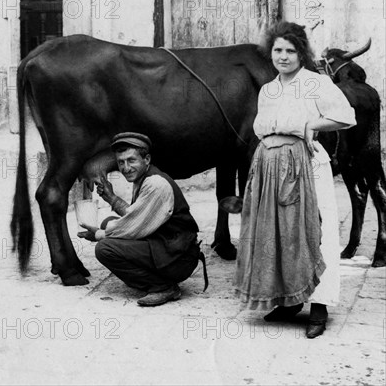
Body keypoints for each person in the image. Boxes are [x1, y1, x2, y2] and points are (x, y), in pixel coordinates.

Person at [234, 22, 356, 338]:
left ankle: (319, 306)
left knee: (315, 231)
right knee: (279, 233)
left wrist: (312, 124)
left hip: (308, 168)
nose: (284, 56)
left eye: (290, 50)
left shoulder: (316, 83)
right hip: (271, 169)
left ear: (301, 53)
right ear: (270, 53)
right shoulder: (268, 89)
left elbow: (346, 116)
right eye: (278, 50)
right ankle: (289, 300)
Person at [78, 132, 205, 306]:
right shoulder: (143, 178)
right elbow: (137, 215)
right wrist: (110, 197)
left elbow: (133, 226)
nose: (126, 168)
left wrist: (99, 235)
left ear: (146, 160)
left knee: (104, 248)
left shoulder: (156, 184)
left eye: (131, 160)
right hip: (166, 246)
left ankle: (162, 287)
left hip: (179, 258)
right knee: (108, 222)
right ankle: (153, 277)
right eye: (121, 162)